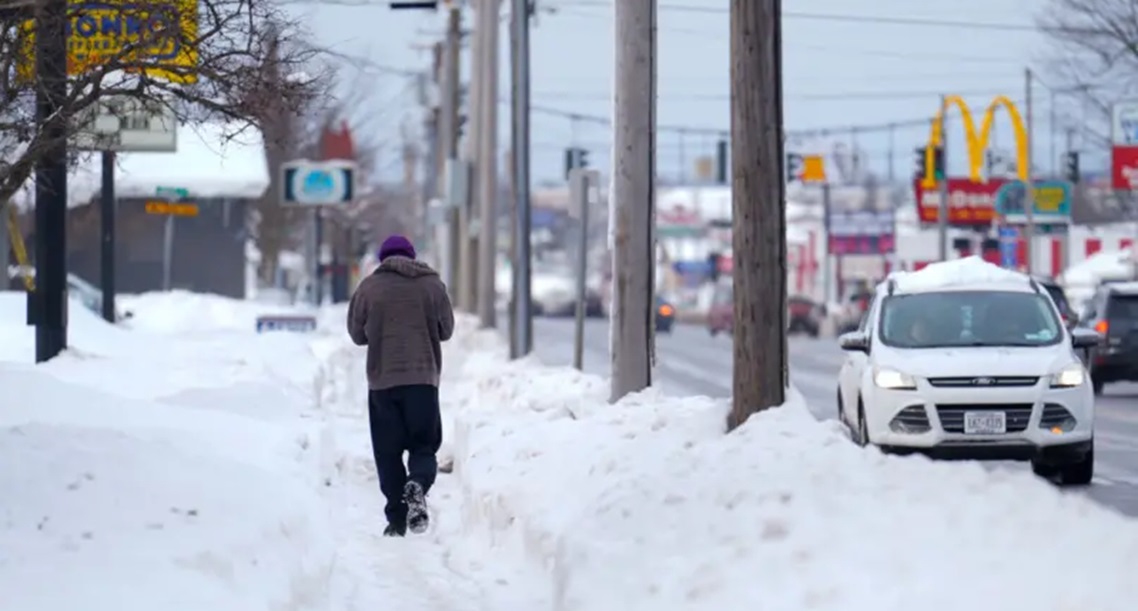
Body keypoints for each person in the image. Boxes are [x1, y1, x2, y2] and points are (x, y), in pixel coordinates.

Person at [347, 235, 455, 537]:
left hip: (383, 382)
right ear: (412, 256)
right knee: (424, 445)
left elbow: (356, 335)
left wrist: (380, 329)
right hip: (423, 381)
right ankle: (418, 483)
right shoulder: (432, 285)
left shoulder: (369, 288)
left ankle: (396, 520)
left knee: (388, 452)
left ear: (383, 259)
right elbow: (446, 330)